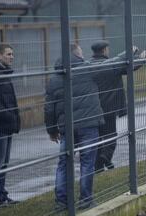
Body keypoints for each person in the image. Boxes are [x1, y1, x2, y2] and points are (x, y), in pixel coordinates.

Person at [44, 44, 104, 210]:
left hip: (66, 128)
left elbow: (49, 107)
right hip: (88, 124)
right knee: (87, 162)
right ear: (76, 53)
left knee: (64, 163)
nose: (83, 55)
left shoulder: (55, 77)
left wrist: (52, 130)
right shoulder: (87, 69)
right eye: (81, 52)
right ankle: (85, 199)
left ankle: (61, 202)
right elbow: (110, 66)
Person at [89, 40, 146, 172]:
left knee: (98, 137)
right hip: (110, 107)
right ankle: (106, 156)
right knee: (111, 135)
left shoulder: (89, 66)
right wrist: (142, 58)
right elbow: (129, 67)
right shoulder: (111, 66)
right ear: (104, 50)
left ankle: (98, 167)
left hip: (94, 108)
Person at [0, 44, 20, 208]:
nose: (12, 57)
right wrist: (9, 116)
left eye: (12, 54)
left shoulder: (3, 72)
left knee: (4, 162)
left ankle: (1, 195)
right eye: (8, 54)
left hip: (6, 124)